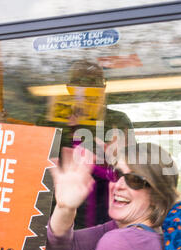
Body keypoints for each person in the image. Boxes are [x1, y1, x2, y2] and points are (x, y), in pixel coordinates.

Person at [45, 142, 180, 250]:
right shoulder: (126, 229)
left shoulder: (121, 242)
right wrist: (65, 208)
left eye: (134, 180)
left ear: (157, 196)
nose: (118, 185)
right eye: (117, 174)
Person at [39, 60, 135, 229]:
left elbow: (132, 169)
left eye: (93, 83)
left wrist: (117, 159)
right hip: (57, 202)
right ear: (69, 87)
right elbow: (36, 161)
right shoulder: (48, 121)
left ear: (103, 88)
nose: (86, 88)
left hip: (104, 203)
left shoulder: (117, 120)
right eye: (80, 83)